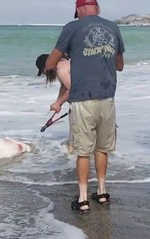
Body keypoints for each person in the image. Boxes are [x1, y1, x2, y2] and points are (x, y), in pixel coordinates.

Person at [45, 0, 125, 212]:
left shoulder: (72, 27)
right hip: (108, 97)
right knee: (102, 148)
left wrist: (71, 56)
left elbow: (50, 64)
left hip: (82, 99)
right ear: (97, 8)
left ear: (79, 10)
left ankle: (82, 199)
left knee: (83, 151)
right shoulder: (113, 27)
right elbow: (120, 65)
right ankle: (101, 192)